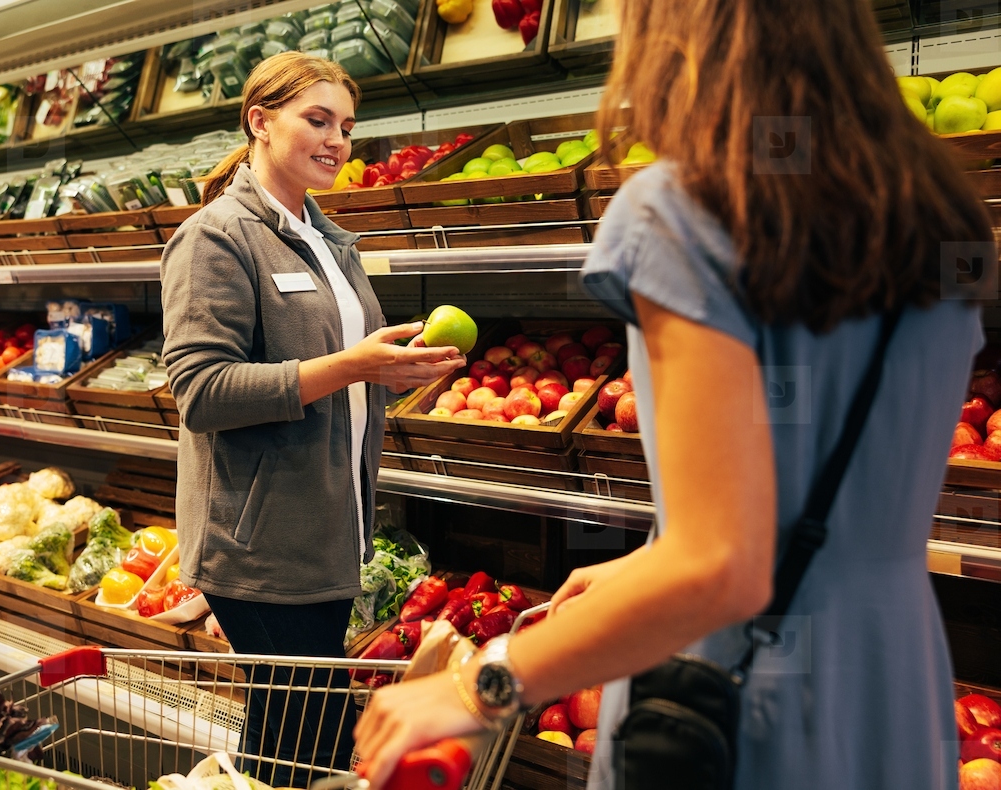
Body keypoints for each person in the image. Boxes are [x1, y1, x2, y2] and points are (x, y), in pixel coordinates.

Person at [354, 2, 993, 789]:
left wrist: (482, 683)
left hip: (744, 704)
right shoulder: (937, 217)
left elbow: (725, 567)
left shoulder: (686, 210)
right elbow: (819, 496)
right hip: (891, 680)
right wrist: (647, 565)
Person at [160, 51, 465, 787]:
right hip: (262, 545)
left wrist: (394, 374)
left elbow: (345, 377)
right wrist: (354, 366)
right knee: (309, 743)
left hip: (328, 531)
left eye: (348, 127)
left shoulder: (332, 242)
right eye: (317, 119)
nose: (337, 141)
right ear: (260, 123)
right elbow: (200, 389)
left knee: (292, 741)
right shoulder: (217, 237)